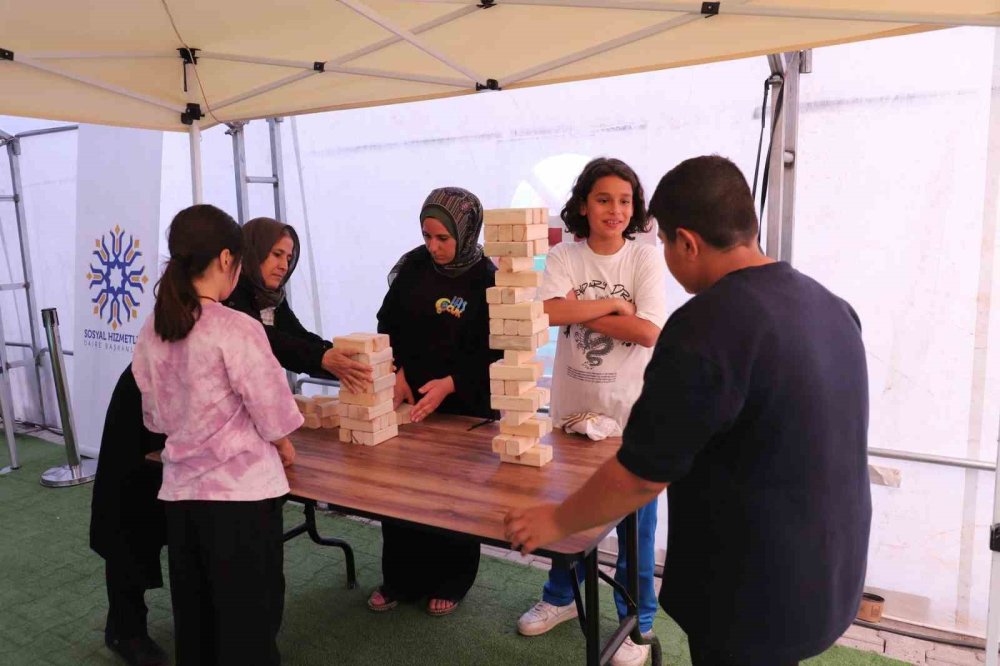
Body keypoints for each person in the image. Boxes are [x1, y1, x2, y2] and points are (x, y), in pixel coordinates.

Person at [504, 155, 872, 666]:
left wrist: (554, 522)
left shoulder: (707, 326)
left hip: (751, 592)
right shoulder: (832, 305)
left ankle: (634, 622)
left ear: (688, 243)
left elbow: (641, 477)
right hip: (829, 576)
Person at [132, 204, 304, 666]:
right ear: (228, 260)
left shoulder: (154, 328)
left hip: (182, 500)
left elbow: (154, 419)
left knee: (198, 625)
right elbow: (276, 417)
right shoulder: (237, 328)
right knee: (249, 628)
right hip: (242, 502)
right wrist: (285, 446)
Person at [514, 157, 668, 666]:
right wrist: (616, 309)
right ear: (584, 204)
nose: (615, 210)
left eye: (625, 201)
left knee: (635, 532)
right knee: (569, 514)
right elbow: (546, 312)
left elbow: (649, 332)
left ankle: (637, 624)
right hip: (572, 415)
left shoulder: (643, 259)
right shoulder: (564, 254)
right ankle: (560, 597)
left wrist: (586, 307)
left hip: (631, 417)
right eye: (604, 199)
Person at [367, 186, 499, 616]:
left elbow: (498, 350)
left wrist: (453, 383)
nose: (433, 247)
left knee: (455, 497)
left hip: (466, 405)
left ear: (465, 232)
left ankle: (452, 581)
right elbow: (388, 321)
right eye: (427, 236)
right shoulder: (415, 268)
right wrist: (399, 370)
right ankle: (401, 579)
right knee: (400, 491)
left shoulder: (488, 278)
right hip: (412, 401)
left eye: (443, 238)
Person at [224, 217, 371, 392]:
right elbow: (263, 339)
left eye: (288, 258)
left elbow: (295, 334)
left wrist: (350, 359)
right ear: (254, 252)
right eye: (277, 255)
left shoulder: (272, 296)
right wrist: (322, 358)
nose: (284, 266)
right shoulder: (230, 293)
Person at [89, 364, 168, 666]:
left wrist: (320, 354)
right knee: (129, 517)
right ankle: (126, 629)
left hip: (190, 412)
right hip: (146, 404)